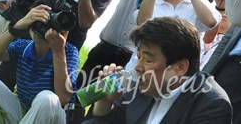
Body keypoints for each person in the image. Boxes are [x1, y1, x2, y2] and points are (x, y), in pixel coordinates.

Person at [83, 16, 233, 124]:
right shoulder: (142, 87)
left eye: (148, 60)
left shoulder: (212, 105)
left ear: (180, 67)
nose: (138, 67)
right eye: (139, 56)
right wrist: (104, 103)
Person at [0, 3, 79, 124]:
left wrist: (58, 52)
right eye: (39, 20)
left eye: (48, 23)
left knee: (47, 98)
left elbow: (63, 98)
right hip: (26, 114)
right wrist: (18, 25)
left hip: (52, 117)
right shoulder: (23, 46)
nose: (42, 27)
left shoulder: (68, 51)